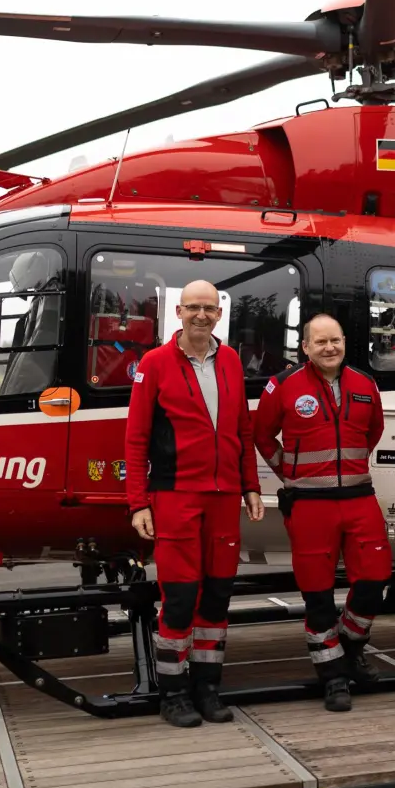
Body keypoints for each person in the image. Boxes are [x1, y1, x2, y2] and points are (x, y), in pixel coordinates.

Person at [126, 279, 264, 728]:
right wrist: (137, 503)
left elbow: (243, 430)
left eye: (209, 308)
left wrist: (251, 486)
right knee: (181, 597)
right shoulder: (155, 363)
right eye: (193, 308)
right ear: (179, 312)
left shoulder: (230, 361)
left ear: (219, 314)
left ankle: (208, 687)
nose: (201, 315)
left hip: (224, 498)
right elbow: (136, 438)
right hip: (176, 496)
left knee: (218, 597)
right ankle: (174, 693)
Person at [253, 314, 389, 712]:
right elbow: (261, 435)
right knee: (318, 595)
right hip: (310, 504)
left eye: (336, 340)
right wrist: (289, 471)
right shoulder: (282, 386)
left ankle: (347, 651)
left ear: (344, 341)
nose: (329, 348)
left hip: (360, 498)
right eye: (320, 342)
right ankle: (332, 677)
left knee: (375, 578)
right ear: (306, 348)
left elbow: (373, 431)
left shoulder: (365, 385)